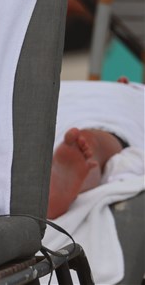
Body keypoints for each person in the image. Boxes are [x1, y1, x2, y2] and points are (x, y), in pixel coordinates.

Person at [47, 77, 133, 219]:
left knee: (95, 137)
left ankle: (84, 163)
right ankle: (87, 160)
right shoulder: (129, 91)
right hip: (78, 104)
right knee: (96, 138)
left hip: (59, 103)